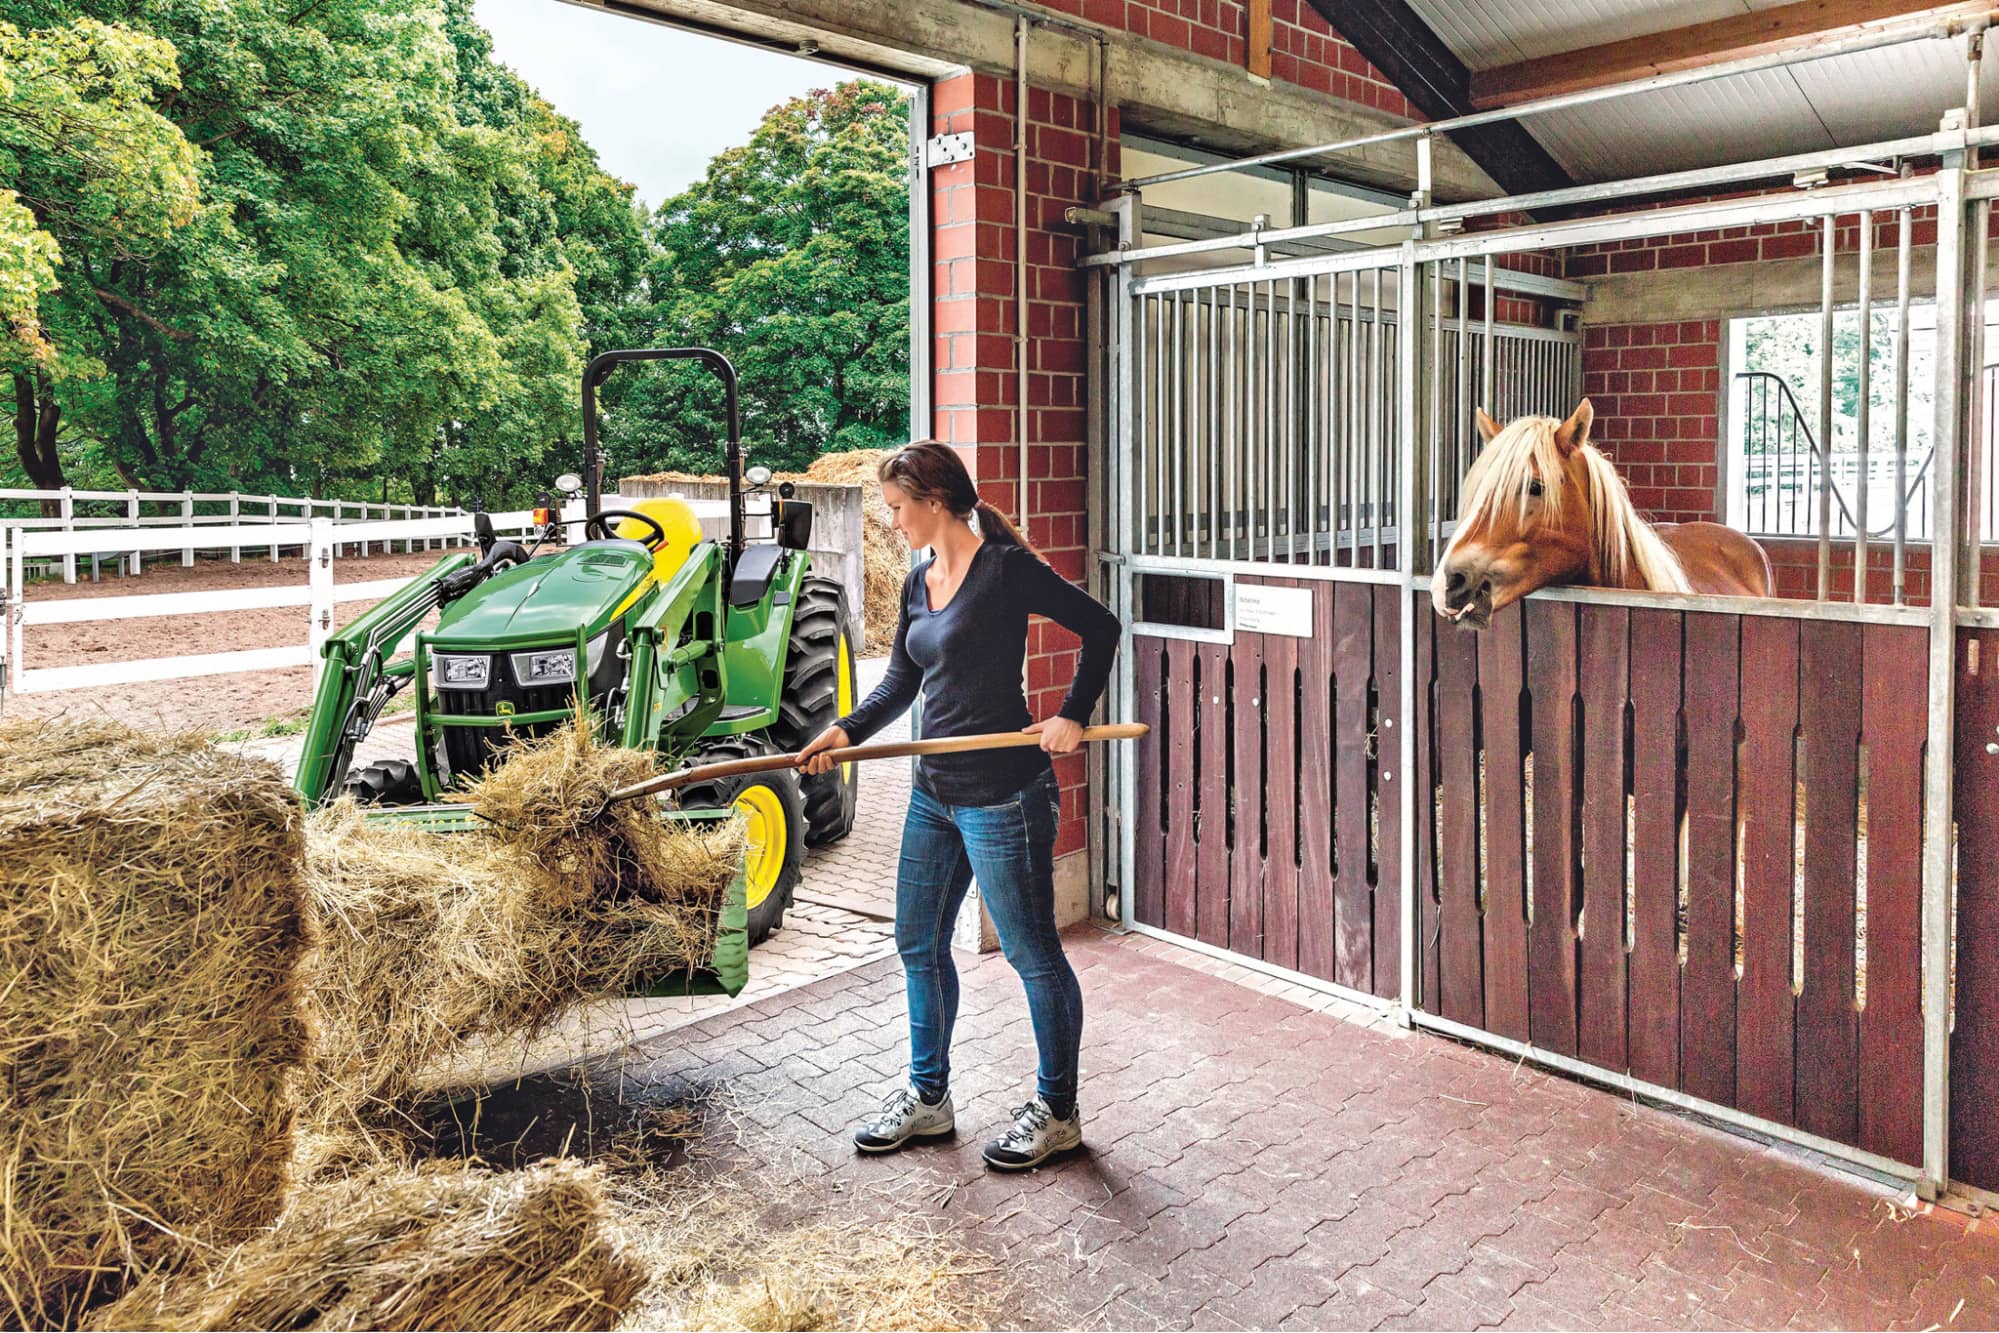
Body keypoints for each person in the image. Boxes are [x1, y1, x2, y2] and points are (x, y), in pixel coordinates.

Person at [798, 440, 1120, 1171]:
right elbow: (900, 685)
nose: (890, 522)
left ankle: (1058, 1109)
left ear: (934, 501)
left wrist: (1071, 712)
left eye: (896, 507)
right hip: (933, 796)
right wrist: (844, 729)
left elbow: (1100, 627)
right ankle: (929, 1096)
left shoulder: (1005, 572)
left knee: (1031, 954)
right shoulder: (917, 583)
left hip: (1003, 796)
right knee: (916, 942)